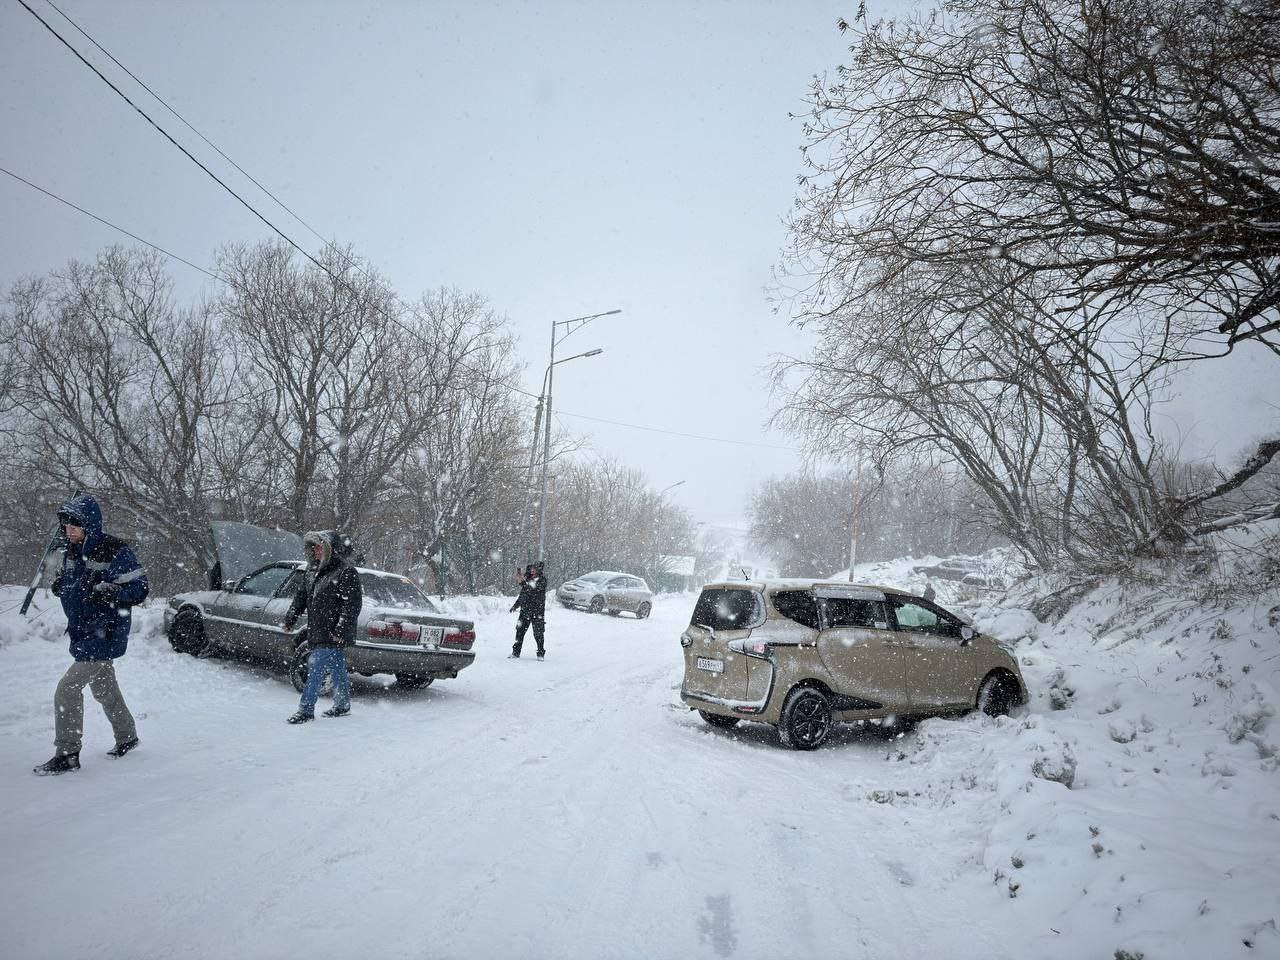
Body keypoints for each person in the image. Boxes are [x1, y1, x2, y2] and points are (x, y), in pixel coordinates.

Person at [33, 493, 149, 776]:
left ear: (90, 525)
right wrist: (64, 587)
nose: (69, 529)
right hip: (84, 632)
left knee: (67, 689)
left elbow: (140, 587)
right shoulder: (71, 553)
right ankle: (127, 736)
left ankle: (68, 753)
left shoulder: (114, 551)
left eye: (75, 524)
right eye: (66, 524)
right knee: (104, 688)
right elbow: (80, 589)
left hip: (104, 633)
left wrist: (115, 592)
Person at [282, 530, 362, 724]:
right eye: (313, 547)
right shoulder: (312, 571)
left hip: (333, 633)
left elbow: (352, 605)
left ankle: (306, 709)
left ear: (330, 549)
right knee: (337, 668)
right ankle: (342, 705)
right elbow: (301, 597)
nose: (315, 551)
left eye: (319, 547)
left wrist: (340, 631)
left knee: (315, 666)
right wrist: (290, 619)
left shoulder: (345, 571)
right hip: (318, 630)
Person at [510, 561, 547, 660]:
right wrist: (515, 606)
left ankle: (540, 653)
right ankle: (516, 652)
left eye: (534, 568)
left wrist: (522, 582)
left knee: (538, 634)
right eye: (531, 568)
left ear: (539, 570)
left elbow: (532, 589)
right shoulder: (528, 580)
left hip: (537, 612)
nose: (532, 570)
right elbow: (523, 595)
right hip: (525, 611)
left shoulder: (542, 581)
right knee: (519, 632)